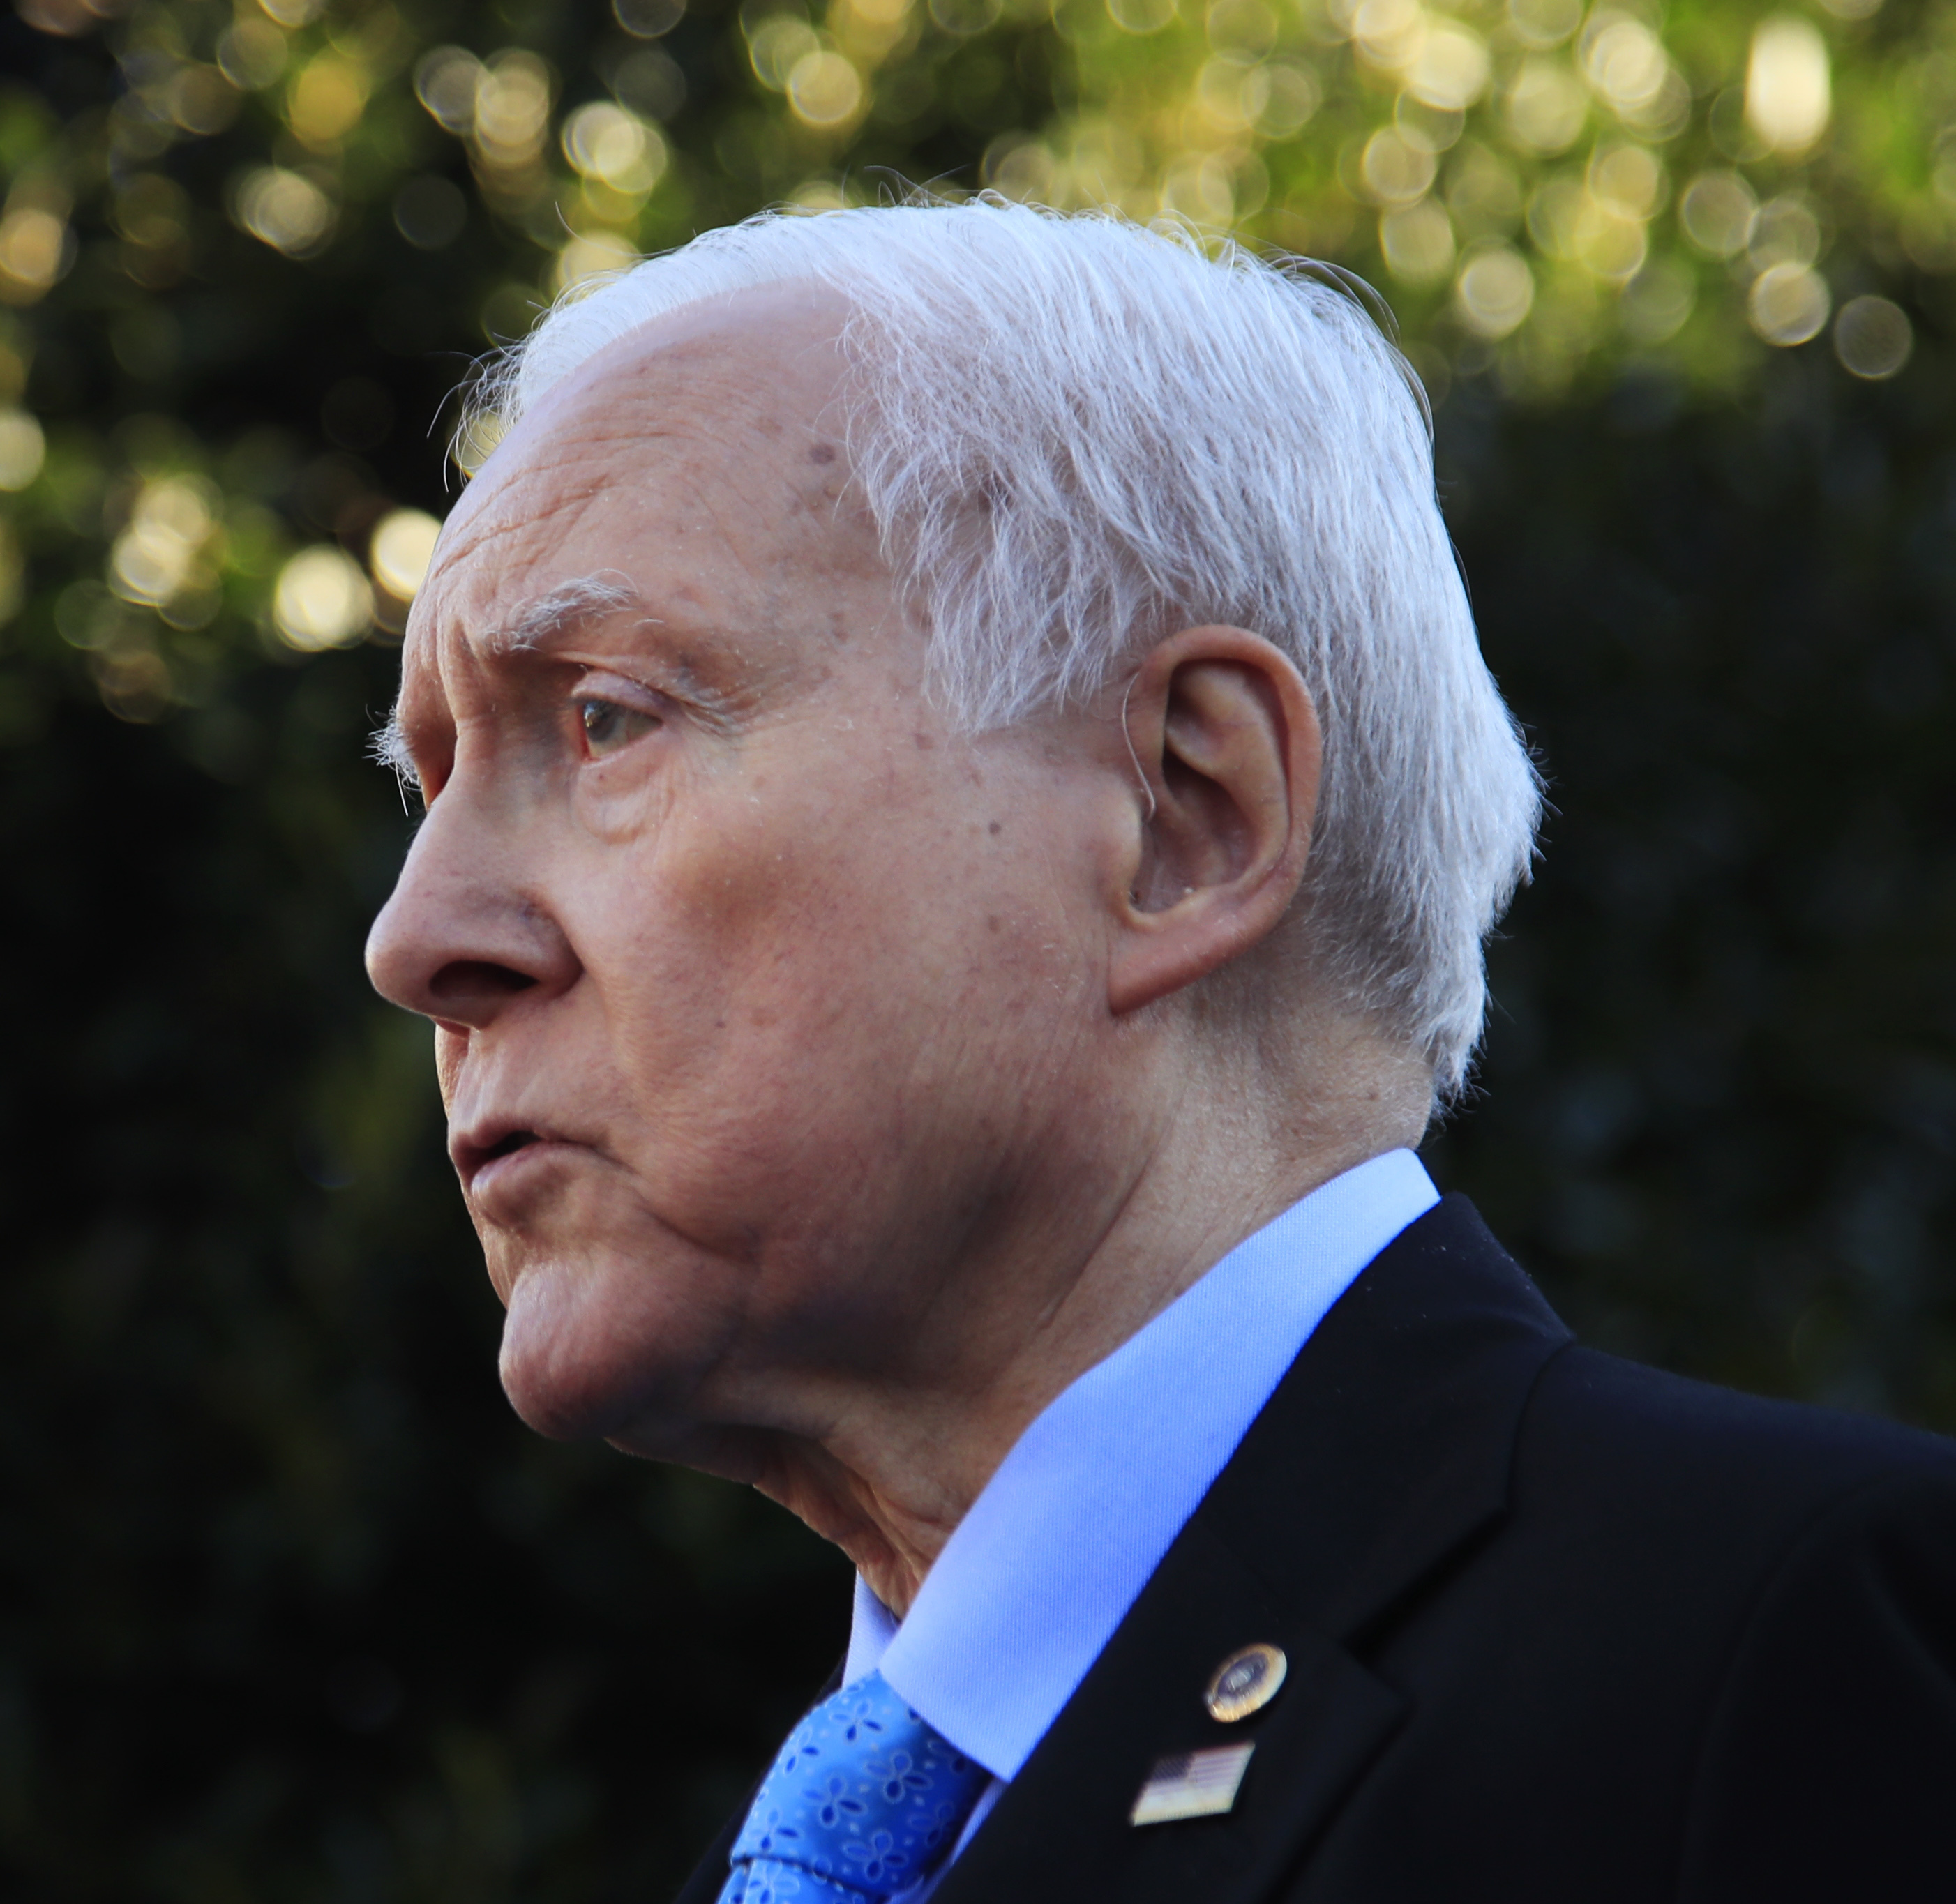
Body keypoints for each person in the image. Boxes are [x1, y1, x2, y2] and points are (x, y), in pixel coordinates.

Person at [361, 201, 1956, 1903]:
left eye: (606, 719)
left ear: (1188, 813)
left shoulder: (1779, 1654)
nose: (416, 939)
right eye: (432, 777)